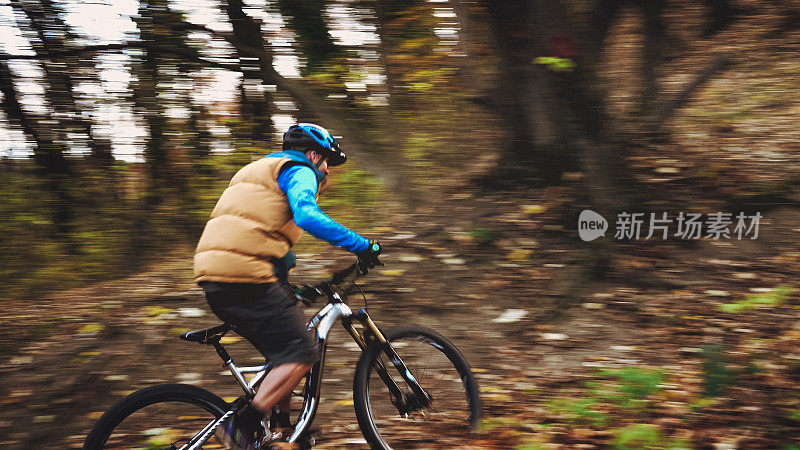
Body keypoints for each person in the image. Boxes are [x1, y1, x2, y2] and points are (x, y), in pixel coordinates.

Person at [193, 123, 382, 449]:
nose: (325, 171)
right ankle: (242, 425)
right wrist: (361, 245)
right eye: (325, 163)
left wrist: (285, 283)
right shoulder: (299, 169)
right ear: (313, 154)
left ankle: (281, 430)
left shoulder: (258, 170)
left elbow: (248, 229)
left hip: (216, 277)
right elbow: (307, 215)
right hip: (245, 276)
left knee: (284, 354)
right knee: (302, 353)